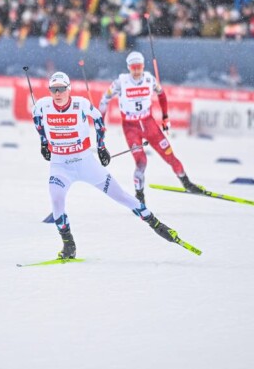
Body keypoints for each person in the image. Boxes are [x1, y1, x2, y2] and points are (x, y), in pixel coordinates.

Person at [33, 71, 184, 259]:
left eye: (61, 89)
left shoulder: (81, 104)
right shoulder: (42, 106)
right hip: (60, 165)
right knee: (56, 200)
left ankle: (158, 226)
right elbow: (37, 120)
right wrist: (44, 143)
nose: (57, 93)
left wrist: (101, 147)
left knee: (120, 195)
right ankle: (68, 246)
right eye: (53, 89)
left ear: (68, 89)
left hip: (85, 163)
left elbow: (98, 119)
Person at [98, 51, 202, 204]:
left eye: (139, 67)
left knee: (169, 155)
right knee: (141, 161)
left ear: (143, 66)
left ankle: (187, 183)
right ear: (128, 67)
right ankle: (139, 196)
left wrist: (165, 117)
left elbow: (162, 94)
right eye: (133, 67)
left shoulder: (149, 79)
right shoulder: (121, 82)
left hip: (149, 124)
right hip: (130, 127)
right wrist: (100, 122)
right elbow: (104, 100)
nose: (136, 71)